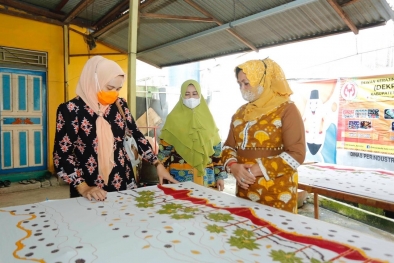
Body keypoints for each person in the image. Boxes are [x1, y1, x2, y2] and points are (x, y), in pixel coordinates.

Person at [53, 56, 177, 201]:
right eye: (110, 88)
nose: (114, 94)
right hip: (89, 184)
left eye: (118, 89)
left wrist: (157, 164)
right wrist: (83, 187)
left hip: (123, 179)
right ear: (95, 81)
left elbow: (137, 135)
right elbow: (62, 155)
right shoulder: (70, 110)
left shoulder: (120, 105)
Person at [222, 58, 306, 213]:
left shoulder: (286, 109)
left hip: (277, 191)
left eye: (246, 83)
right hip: (245, 189)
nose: (242, 88)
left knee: (276, 233)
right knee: (245, 232)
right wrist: (233, 167)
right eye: (239, 84)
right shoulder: (240, 113)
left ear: (263, 80)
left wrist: (257, 169)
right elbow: (228, 146)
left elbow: (297, 154)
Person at [158, 79, 226, 190]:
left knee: (205, 205)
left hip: (207, 179)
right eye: (187, 94)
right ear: (182, 96)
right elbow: (164, 153)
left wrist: (220, 176)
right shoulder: (173, 119)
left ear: (200, 95)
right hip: (178, 179)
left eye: (195, 94)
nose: (191, 98)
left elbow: (217, 152)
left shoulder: (208, 119)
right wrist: (163, 178)